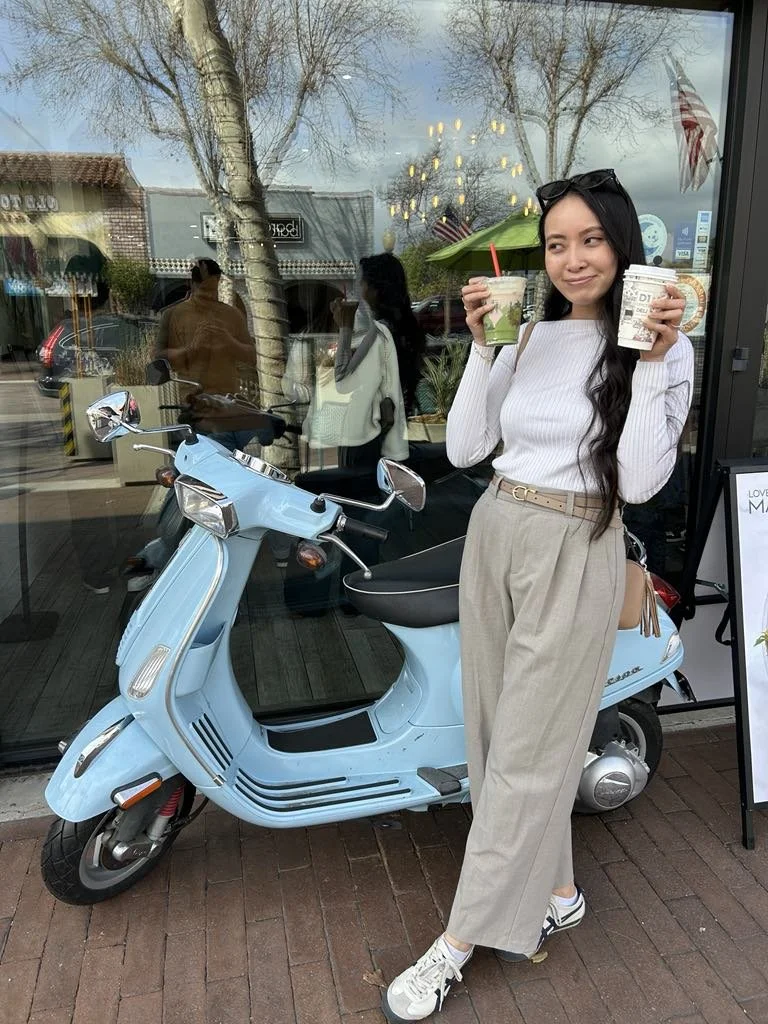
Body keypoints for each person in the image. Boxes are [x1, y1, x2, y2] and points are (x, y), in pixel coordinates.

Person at [382, 168, 694, 1022]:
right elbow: (466, 446)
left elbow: (639, 481)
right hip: (497, 528)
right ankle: (558, 891)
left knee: (526, 752)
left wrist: (651, 363)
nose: (572, 258)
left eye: (590, 239)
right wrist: (485, 347)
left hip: (576, 540)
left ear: (622, 245)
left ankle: (458, 942)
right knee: (494, 733)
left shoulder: (664, 347)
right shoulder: (531, 334)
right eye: (558, 244)